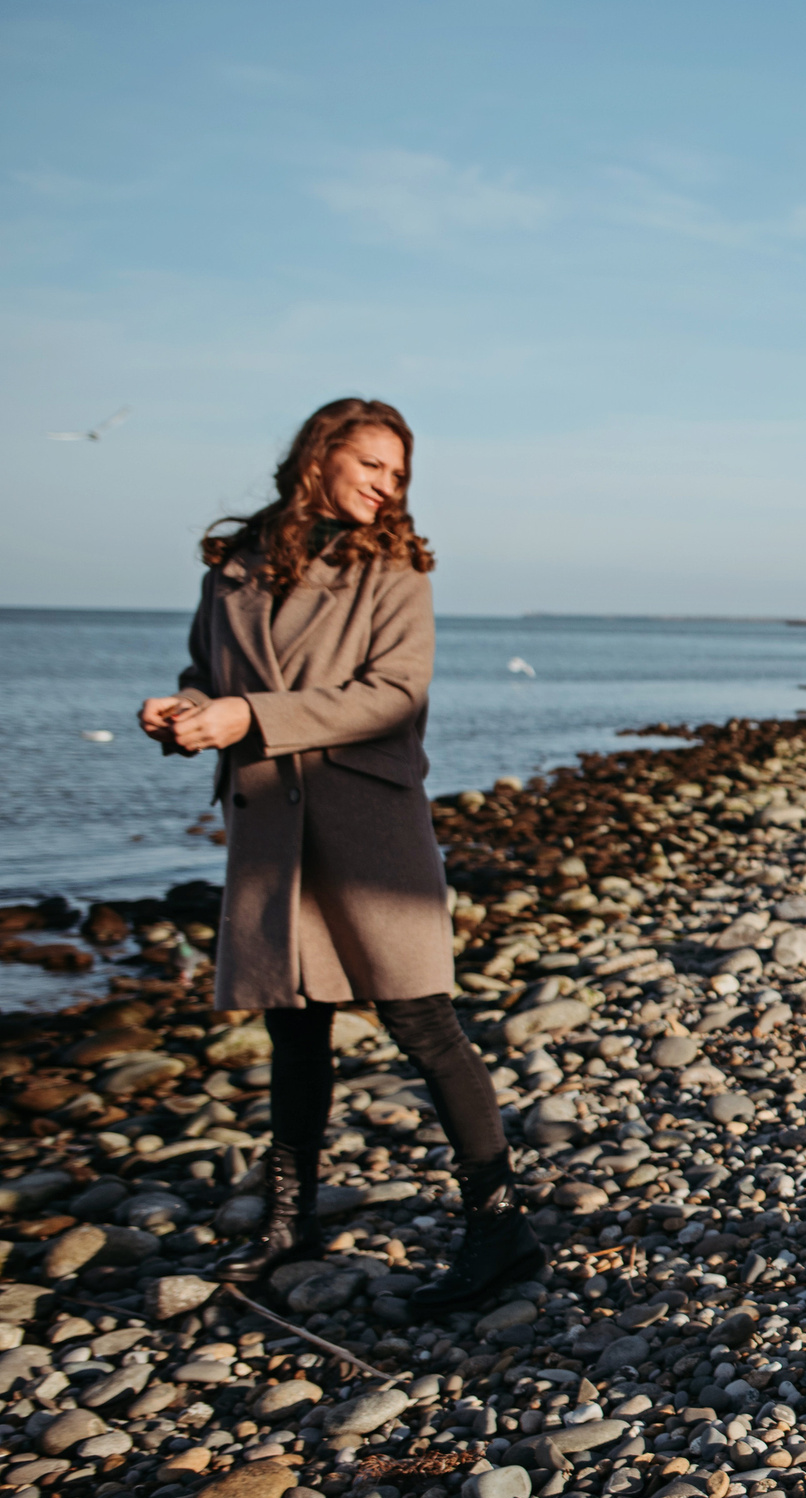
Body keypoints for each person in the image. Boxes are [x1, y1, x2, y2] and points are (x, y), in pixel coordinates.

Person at [137, 398, 544, 1311]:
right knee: (293, 1027)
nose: (386, 486)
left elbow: (393, 695)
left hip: (367, 828)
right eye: (371, 465)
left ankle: (500, 1227)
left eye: (398, 473)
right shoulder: (234, 563)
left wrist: (249, 719)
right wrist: (183, 710)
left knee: (425, 1024)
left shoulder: (393, 568)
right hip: (271, 830)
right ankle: (289, 1225)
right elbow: (209, 671)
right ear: (317, 456)